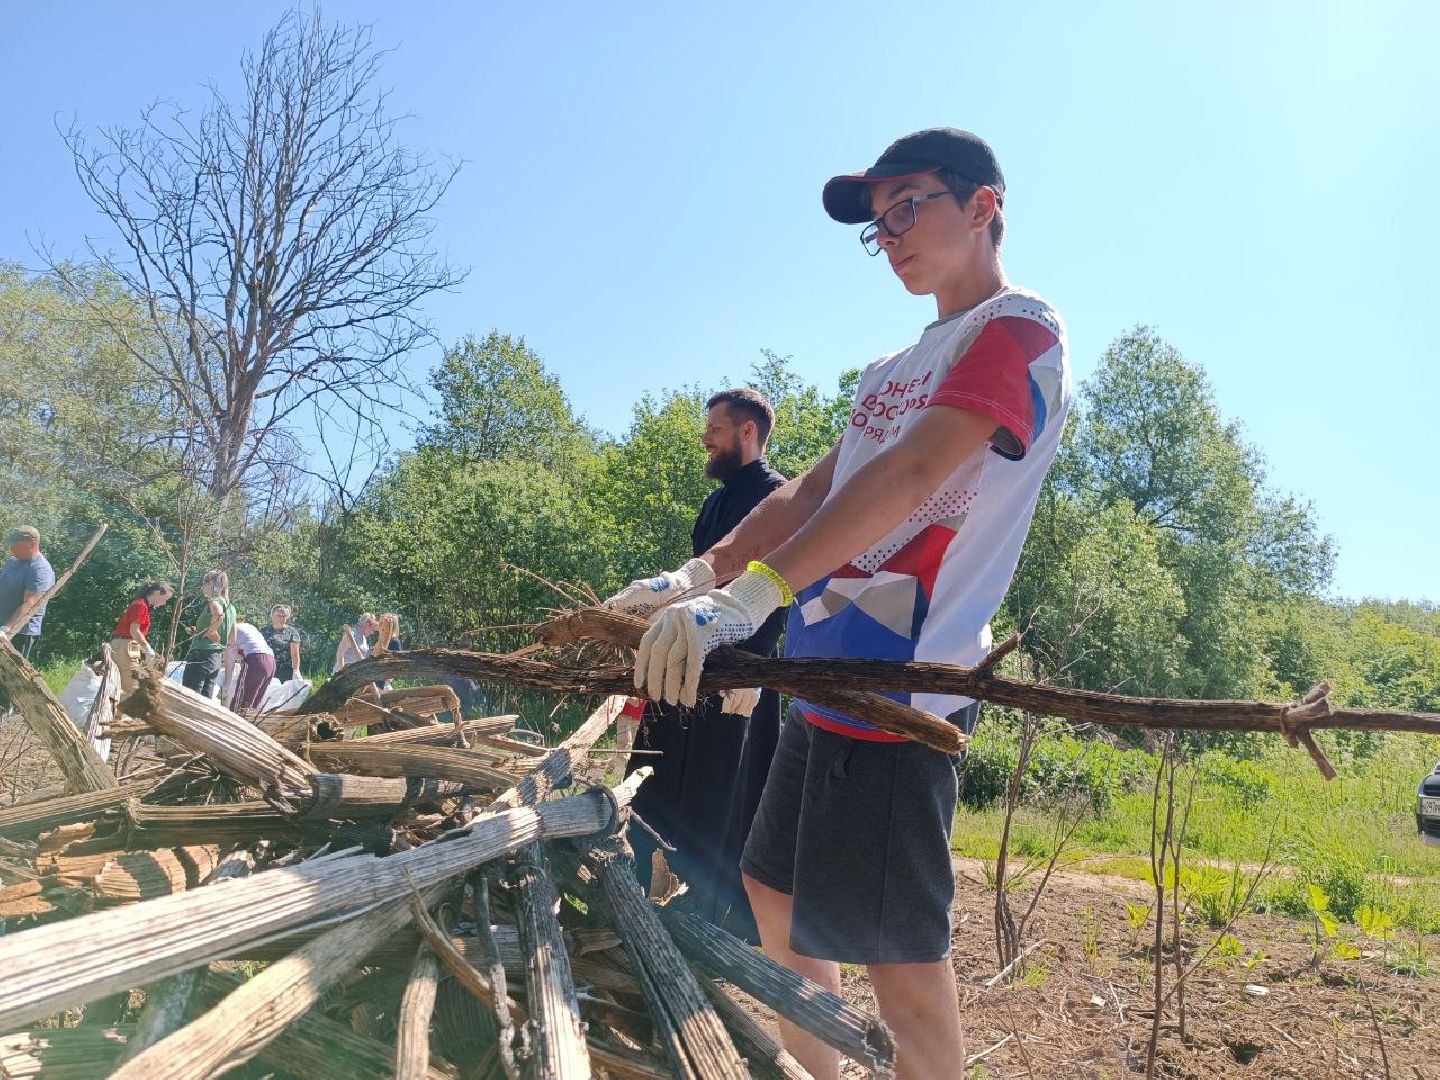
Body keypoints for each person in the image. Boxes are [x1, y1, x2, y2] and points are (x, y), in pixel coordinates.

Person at [626, 129, 1071, 1078]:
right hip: (825, 679)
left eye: (906, 207)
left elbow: (913, 473)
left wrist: (757, 594)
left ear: (983, 205)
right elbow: (810, 492)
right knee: (773, 895)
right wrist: (698, 578)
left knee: (902, 974)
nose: (890, 236)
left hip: (900, 692)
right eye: (878, 226)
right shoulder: (890, 370)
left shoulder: (1020, 331)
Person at [605, 388, 786, 941]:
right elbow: (701, 577)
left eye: (715, 429)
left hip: (739, 679)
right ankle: (631, 892)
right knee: (654, 775)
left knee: (720, 795)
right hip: (688, 663)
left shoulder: (777, 496)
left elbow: (781, 587)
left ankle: (712, 923)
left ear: (747, 432)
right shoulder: (713, 505)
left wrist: (754, 668)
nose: (705, 438)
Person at [0, 525, 57, 661]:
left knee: (9, 673)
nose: (11, 548)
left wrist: (6, 628)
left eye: (15, 545)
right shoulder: (12, 562)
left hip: (19, 632)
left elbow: (30, 603)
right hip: (2, 627)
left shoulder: (40, 569)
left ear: (32, 544)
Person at [181, 569, 236, 699]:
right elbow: (232, 639)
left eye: (204, 583)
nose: (202, 587)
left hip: (200, 655)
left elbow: (219, 614)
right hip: (215, 658)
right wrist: (200, 631)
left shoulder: (214, 601)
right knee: (205, 700)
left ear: (211, 584)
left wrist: (212, 631)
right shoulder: (231, 607)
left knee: (190, 697)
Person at [109, 581, 174, 691]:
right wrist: (147, 647)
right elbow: (134, 631)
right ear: (157, 593)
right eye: (165, 599)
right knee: (131, 686)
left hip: (127, 645)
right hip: (125, 645)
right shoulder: (141, 605)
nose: (164, 603)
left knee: (124, 684)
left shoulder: (142, 605)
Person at [226, 618, 276, 712]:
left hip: (256, 661)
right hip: (271, 661)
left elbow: (229, 659)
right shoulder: (249, 627)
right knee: (253, 703)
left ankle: (234, 719)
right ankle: (248, 720)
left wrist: (226, 683)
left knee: (241, 700)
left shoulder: (231, 631)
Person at [260, 605, 302, 683]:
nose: (281, 618)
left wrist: (296, 671)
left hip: (285, 670)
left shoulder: (292, 632)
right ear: (272, 616)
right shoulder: (263, 631)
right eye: (278, 615)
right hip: (267, 668)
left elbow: (295, 654)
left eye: (284, 616)